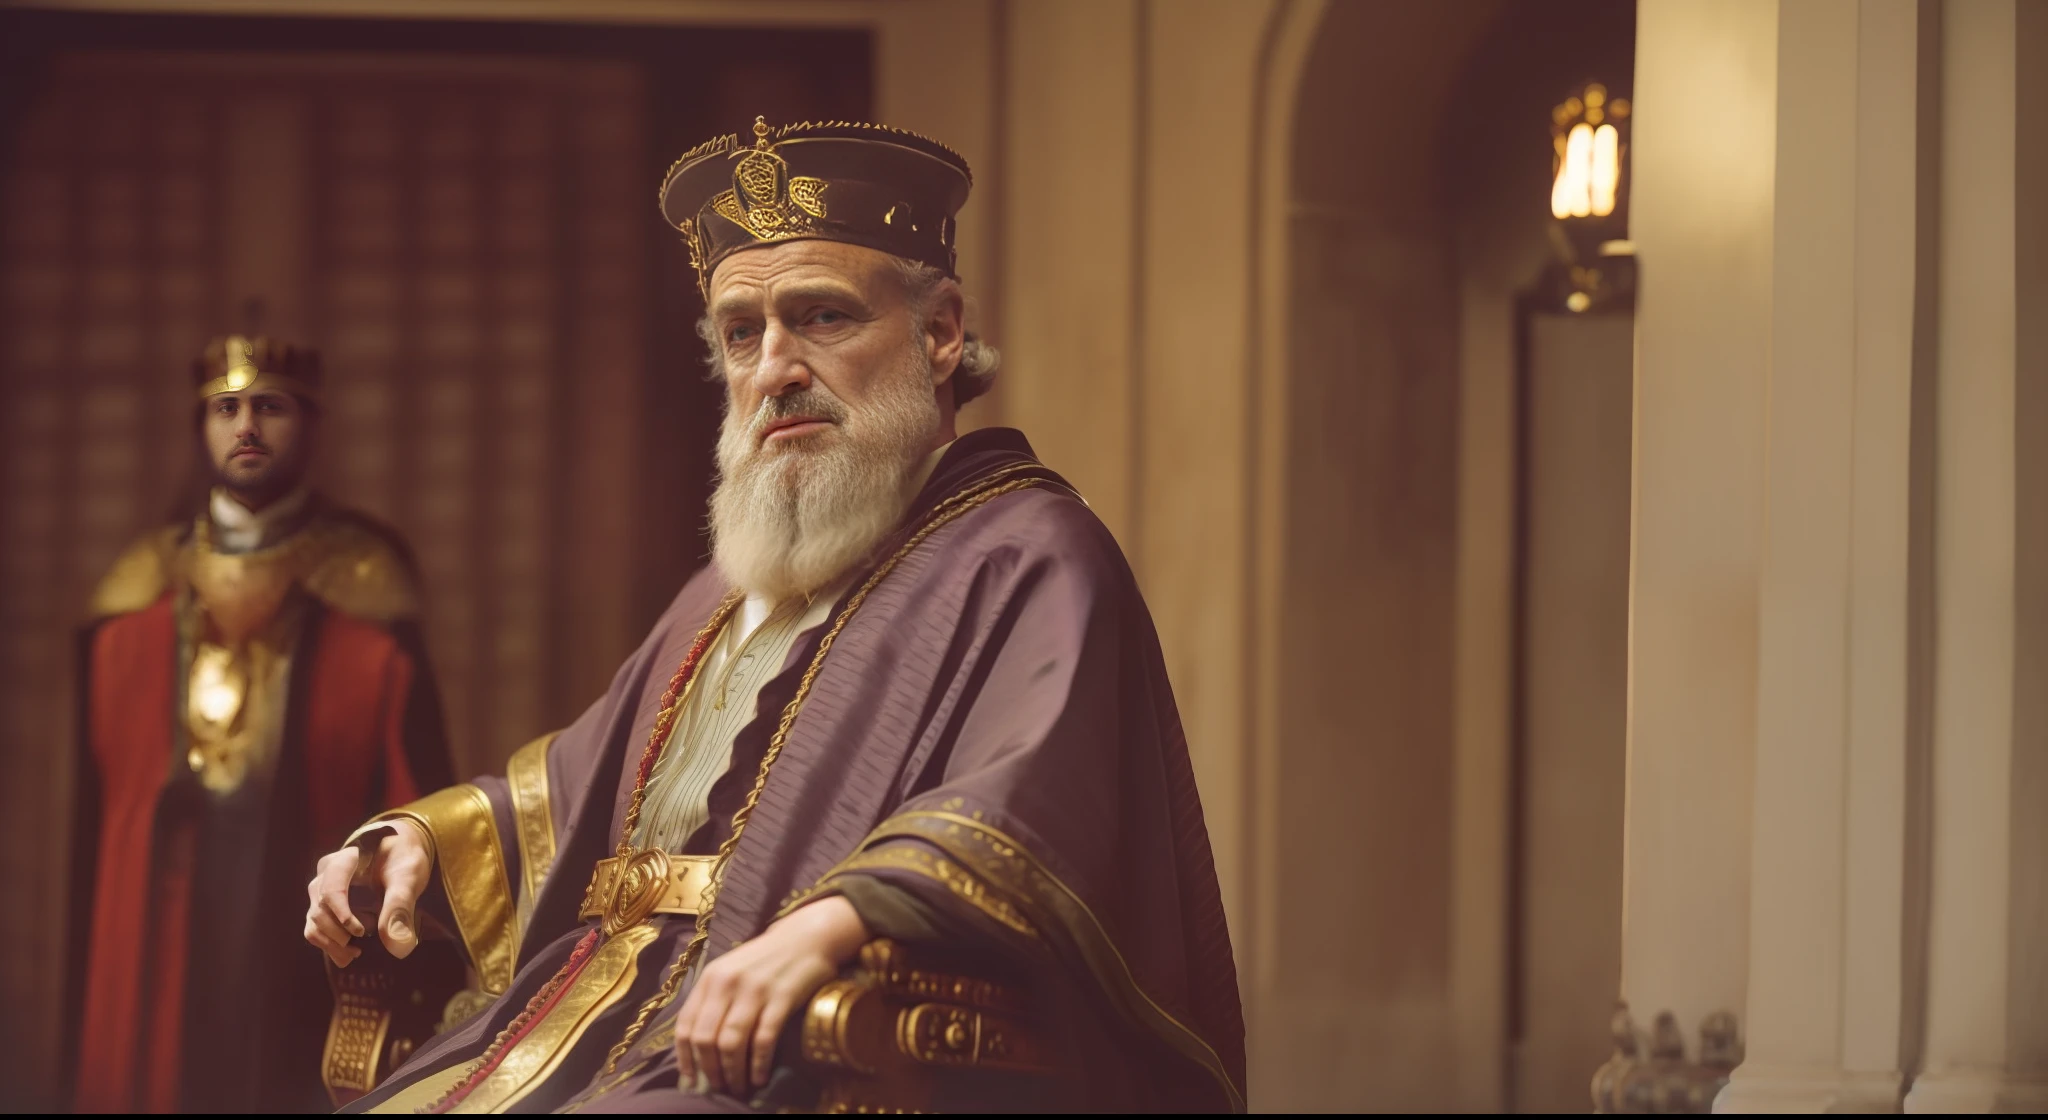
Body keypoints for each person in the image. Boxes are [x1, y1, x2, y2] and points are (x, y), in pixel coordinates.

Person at [307, 117, 1245, 1113]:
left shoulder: (1027, 553)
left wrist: (830, 920)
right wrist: (421, 840)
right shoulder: (723, 591)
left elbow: (1034, 805)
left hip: (784, 1050)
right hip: (584, 1026)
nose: (775, 366)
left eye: (823, 317)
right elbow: (574, 794)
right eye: (741, 332)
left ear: (940, 332)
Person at [69, 335, 455, 1113]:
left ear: (309, 423)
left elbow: (416, 790)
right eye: (225, 408)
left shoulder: (365, 589)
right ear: (201, 425)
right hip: (163, 896)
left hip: (299, 901)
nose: (246, 425)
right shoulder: (139, 590)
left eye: (269, 406)